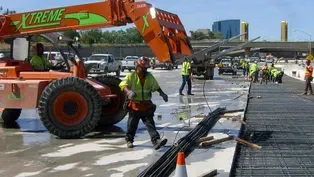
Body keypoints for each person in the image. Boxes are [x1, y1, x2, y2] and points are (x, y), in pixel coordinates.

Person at [119, 56, 169, 149]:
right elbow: (123, 85)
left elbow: (155, 86)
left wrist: (162, 93)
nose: (145, 70)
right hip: (135, 105)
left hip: (146, 105)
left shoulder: (149, 76)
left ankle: (156, 141)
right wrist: (128, 91)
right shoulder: (131, 76)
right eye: (143, 68)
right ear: (137, 66)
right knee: (132, 125)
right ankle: (129, 140)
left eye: (146, 68)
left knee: (150, 124)